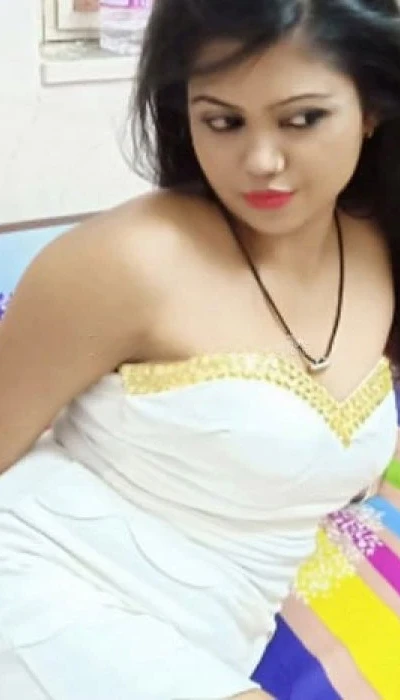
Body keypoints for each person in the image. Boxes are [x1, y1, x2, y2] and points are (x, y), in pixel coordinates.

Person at [1, 0, 400, 697]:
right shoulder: (126, 260)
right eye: (223, 121)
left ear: (371, 109)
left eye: (302, 119)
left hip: (215, 631)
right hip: (43, 578)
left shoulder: (381, 248)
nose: (261, 161)